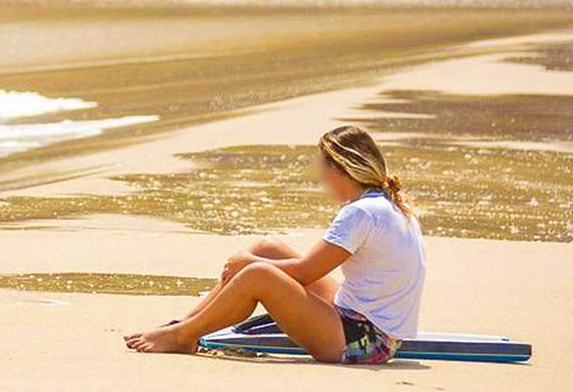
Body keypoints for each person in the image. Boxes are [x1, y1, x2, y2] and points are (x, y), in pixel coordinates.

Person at [124, 125, 425, 364]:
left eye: (322, 173)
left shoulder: (359, 213)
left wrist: (249, 264)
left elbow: (305, 273)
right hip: (367, 323)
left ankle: (182, 336)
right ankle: (183, 325)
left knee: (258, 275)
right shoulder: (389, 205)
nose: (322, 181)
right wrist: (256, 259)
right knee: (268, 248)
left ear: (338, 170)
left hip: (363, 341)